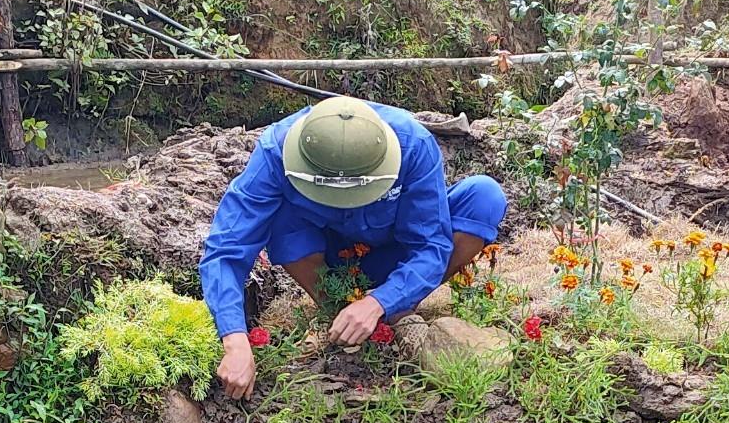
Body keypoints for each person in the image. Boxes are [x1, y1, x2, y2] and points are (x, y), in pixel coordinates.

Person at [199, 96, 506, 400]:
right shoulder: (274, 152)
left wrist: (379, 302)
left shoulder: (413, 144)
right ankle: (337, 310)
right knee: (277, 217)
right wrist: (235, 341)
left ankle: (398, 307)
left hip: (395, 253)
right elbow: (226, 247)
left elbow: (431, 246)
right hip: (333, 263)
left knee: (485, 197)